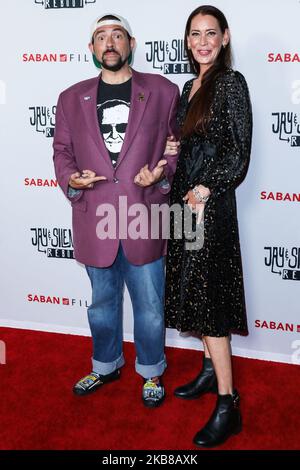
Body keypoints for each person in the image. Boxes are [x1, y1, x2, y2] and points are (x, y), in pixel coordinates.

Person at [53, 13, 179, 407]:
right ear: (91, 49)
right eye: (101, 37)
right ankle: (105, 364)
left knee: (150, 307)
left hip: (145, 215)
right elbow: (61, 151)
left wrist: (159, 177)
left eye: (117, 35)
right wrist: (72, 179)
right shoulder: (71, 97)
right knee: (102, 305)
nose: (110, 43)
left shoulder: (162, 90)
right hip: (95, 219)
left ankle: (151, 370)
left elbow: (174, 150)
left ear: (131, 43)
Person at [164, 5, 252, 446]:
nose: (202, 41)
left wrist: (204, 190)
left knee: (210, 298)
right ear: (187, 40)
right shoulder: (188, 85)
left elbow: (239, 153)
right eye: (195, 34)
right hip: (182, 202)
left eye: (210, 33)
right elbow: (188, 142)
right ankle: (206, 369)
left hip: (208, 206)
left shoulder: (230, 84)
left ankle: (228, 403)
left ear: (225, 37)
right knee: (191, 290)